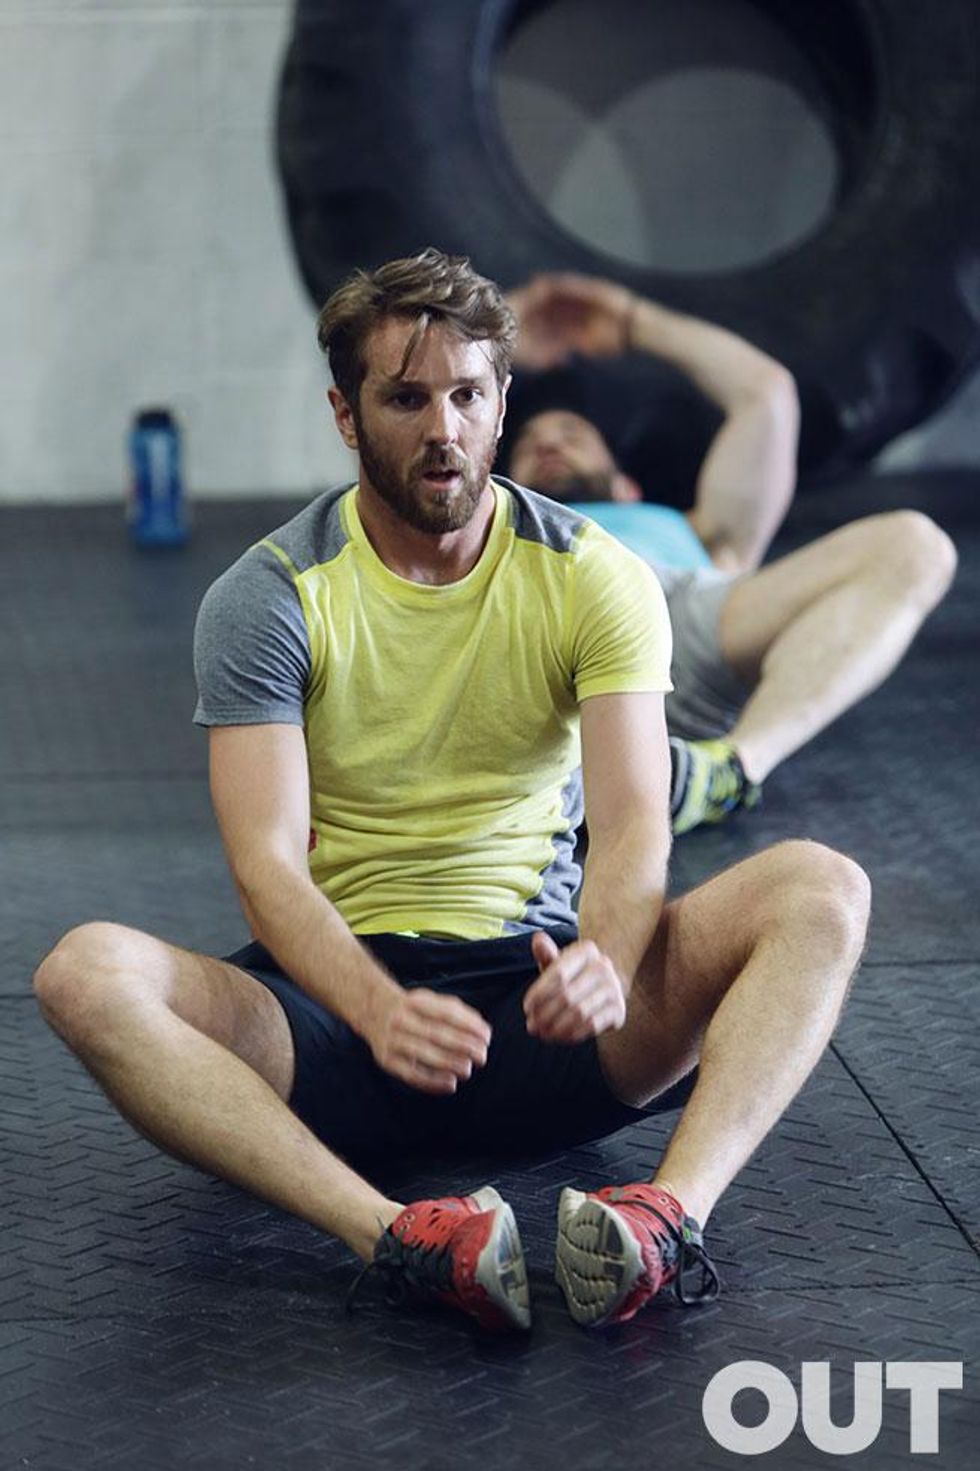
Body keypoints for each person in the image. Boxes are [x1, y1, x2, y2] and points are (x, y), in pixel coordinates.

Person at [34, 248, 871, 1335]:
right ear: (346, 415)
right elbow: (267, 865)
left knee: (821, 887)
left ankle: (669, 1218)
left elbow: (630, 825)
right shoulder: (269, 595)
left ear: (501, 402)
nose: (444, 428)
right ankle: (397, 1238)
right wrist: (376, 1009)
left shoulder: (593, 574)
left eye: (468, 396)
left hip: (544, 1001)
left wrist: (605, 960)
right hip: (337, 1020)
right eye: (406, 398)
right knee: (84, 971)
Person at [504, 274, 958, 833]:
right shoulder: (491, 521)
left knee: (914, 545)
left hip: (675, 621)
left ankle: (725, 774)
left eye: (572, 435)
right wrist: (493, 334)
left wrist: (629, 320)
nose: (549, 442)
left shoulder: (697, 530)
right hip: (533, 641)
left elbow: (766, 394)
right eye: (528, 445)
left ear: (627, 486)